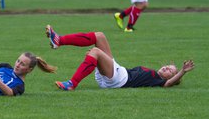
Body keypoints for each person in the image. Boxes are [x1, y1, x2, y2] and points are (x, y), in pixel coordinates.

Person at [45, 25, 194, 90]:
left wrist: (182, 72)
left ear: (170, 78)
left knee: (96, 51)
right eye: (169, 66)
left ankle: (72, 84)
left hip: (117, 80)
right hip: (117, 72)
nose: (167, 68)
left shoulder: (158, 81)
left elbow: (168, 85)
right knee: (100, 36)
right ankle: (59, 40)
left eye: (170, 71)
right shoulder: (153, 74)